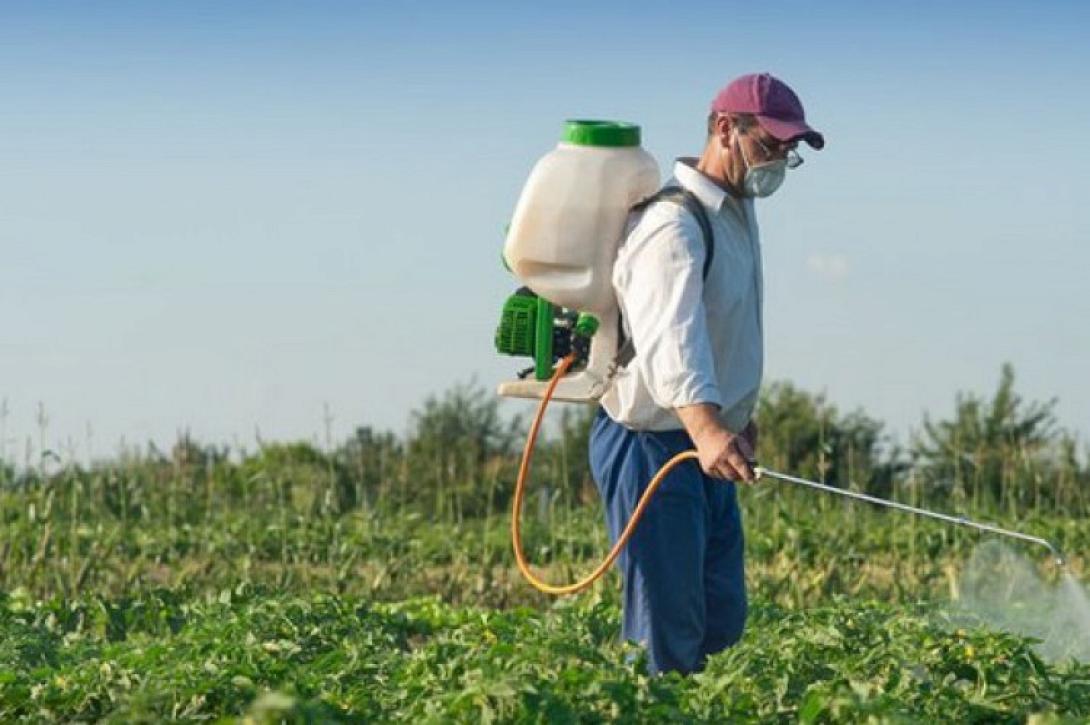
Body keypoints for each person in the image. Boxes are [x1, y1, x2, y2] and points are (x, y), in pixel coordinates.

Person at [590, 72, 825, 675]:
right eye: (769, 144)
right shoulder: (672, 224)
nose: (778, 161)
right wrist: (706, 425)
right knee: (669, 632)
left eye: (788, 152)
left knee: (721, 619)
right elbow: (673, 338)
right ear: (725, 128)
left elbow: (727, 326)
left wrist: (737, 415)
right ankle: (654, 711)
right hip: (653, 446)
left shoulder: (735, 213)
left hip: (703, 441)